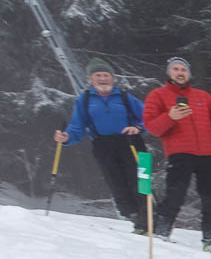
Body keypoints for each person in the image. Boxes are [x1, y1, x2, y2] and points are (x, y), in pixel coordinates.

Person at [142, 56, 211, 254]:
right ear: (169, 73)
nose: (179, 72)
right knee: (176, 193)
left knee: (210, 199)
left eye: (183, 69)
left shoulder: (204, 97)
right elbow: (152, 128)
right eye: (175, 69)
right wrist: (170, 117)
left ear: (189, 74)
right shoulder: (158, 95)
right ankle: (161, 231)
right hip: (180, 153)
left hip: (209, 154)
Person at [55, 59, 148, 231]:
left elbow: (148, 118)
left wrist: (138, 128)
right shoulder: (84, 100)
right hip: (103, 145)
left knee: (142, 181)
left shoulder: (125, 97)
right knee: (117, 183)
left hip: (132, 142)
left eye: (106, 75)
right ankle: (135, 217)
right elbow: (77, 126)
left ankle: (150, 217)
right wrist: (66, 137)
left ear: (113, 79)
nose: (103, 79)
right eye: (98, 75)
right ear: (90, 79)